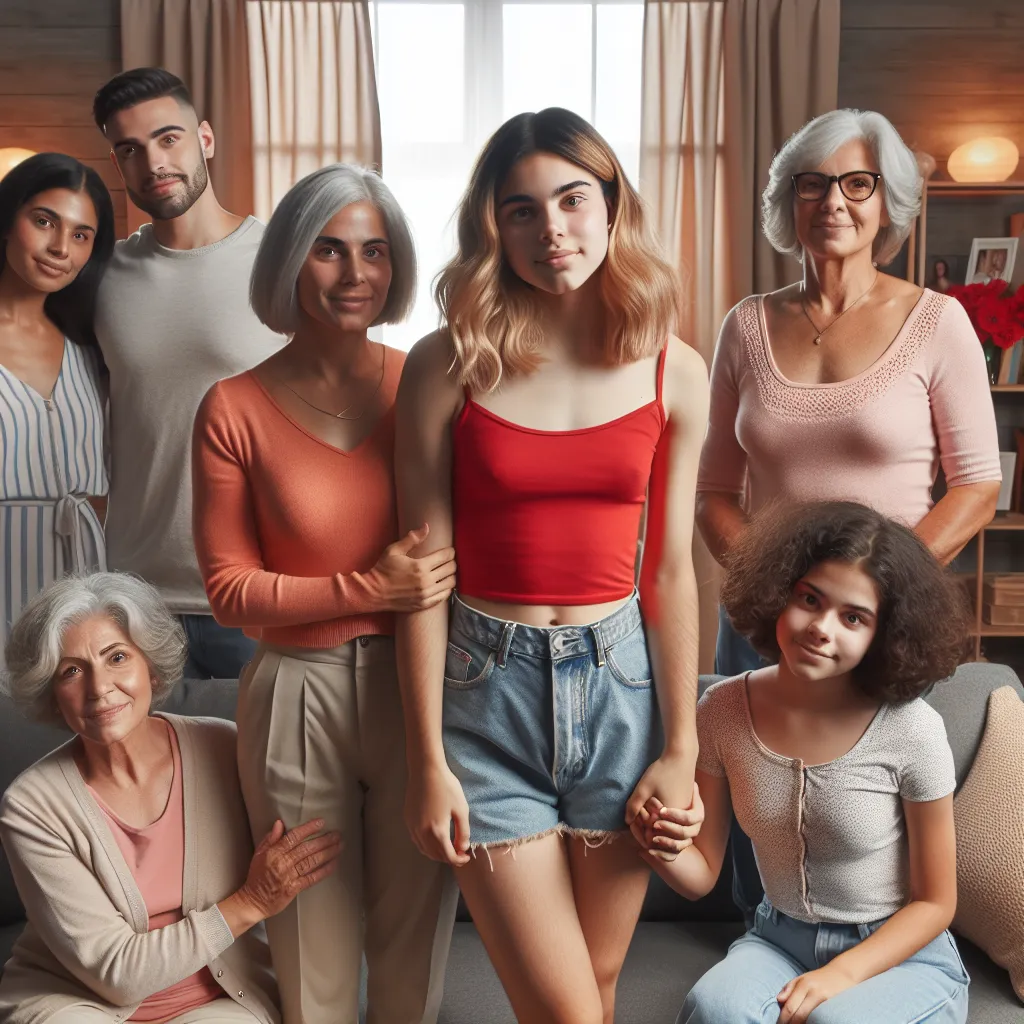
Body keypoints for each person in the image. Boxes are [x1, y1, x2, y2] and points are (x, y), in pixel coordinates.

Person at [394, 107, 709, 1024]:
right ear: (493, 226)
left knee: (594, 996)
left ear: (613, 207)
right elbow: (424, 575)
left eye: (572, 200)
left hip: (620, 689)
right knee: (568, 1009)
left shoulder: (672, 370)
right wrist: (426, 760)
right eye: (520, 210)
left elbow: (672, 573)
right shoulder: (447, 364)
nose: (551, 230)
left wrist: (681, 748)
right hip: (485, 692)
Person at [695, 108, 1001, 918]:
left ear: (887, 201)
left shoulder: (937, 323)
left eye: (857, 182)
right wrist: (766, 593)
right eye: (813, 183)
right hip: (762, 616)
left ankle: (877, 961)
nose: (834, 200)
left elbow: (977, 485)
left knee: (872, 811)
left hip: (884, 614)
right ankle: (758, 954)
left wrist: (877, 584)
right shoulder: (746, 325)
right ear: (787, 202)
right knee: (762, 803)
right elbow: (714, 494)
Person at [192, 164, 459, 1024]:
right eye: (329, 251)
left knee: (415, 931)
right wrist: (366, 585)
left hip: (424, 685)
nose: (355, 275)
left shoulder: (432, 379)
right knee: (310, 933)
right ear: (289, 264)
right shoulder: (231, 406)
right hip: (294, 694)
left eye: (375, 252)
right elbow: (229, 590)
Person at [643, 501, 971, 1024]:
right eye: (809, 599)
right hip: (777, 940)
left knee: (832, 1020)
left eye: (853, 617)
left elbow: (935, 902)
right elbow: (702, 874)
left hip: (898, 955)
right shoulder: (722, 710)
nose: (821, 627)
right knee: (713, 1009)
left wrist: (840, 975)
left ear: (883, 634)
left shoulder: (912, 729)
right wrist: (653, 835)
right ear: (779, 594)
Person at [0, 572, 342, 1024]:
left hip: (218, 999)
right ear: (53, 694)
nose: (99, 687)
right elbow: (115, 973)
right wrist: (252, 902)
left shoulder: (225, 748)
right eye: (72, 670)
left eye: (117, 657)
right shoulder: (31, 806)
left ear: (152, 667)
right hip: (75, 1000)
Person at [91, 67, 284, 679]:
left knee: (260, 777)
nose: (153, 162)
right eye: (130, 149)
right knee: (147, 779)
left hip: (254, 595)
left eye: (168, 138)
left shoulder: (282, 263)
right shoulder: (103, 279)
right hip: (135, 602)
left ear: (204, 138)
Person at [0, 153, 114, 667]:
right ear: (8, 218)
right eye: (44, 221)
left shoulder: (93, 348)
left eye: (81, 235)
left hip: (82, 609)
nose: (59, 248)